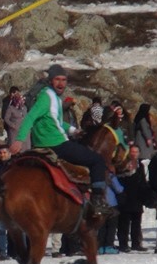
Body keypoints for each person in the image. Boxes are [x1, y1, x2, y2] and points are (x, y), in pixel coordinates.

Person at [10, 63, 113, 217]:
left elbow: (56, 121)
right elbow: (30, 117)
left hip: (50, 141)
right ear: (51, 80)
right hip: (57, 144)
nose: (61, 83)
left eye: (64, 80)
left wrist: (73, 130)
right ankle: (97, 199)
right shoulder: (47, 97)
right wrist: (19, 140)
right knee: (97, 160)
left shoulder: (54, 98)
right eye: (57, 79)